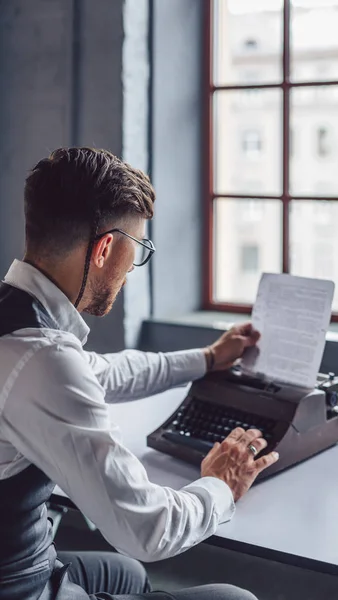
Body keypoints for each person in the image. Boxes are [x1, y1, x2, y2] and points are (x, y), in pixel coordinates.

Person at [0, 148, 279, 600]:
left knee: (125, 575)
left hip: (22, 558)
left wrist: (208, 357)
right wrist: (220, 486)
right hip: (21, 587)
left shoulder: (17, 322)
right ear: (105, 248)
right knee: (235, 598)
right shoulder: (42, 360)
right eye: (139, 249)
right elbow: (147, 530)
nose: (131, 269)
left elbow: (108, 372)